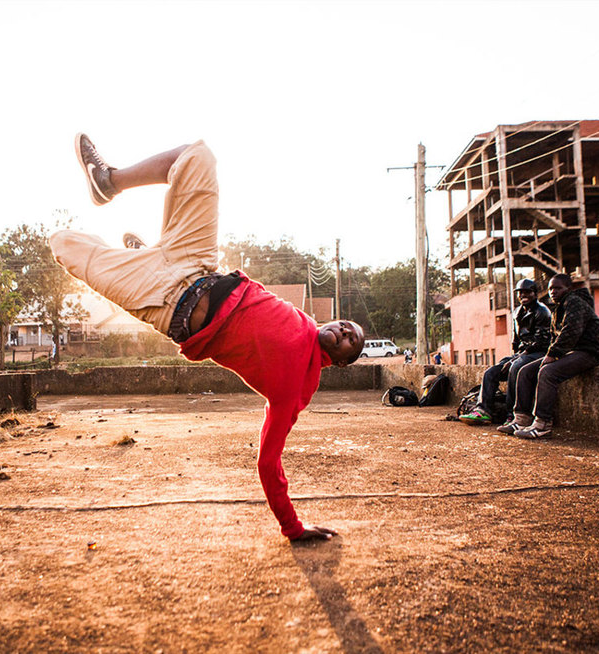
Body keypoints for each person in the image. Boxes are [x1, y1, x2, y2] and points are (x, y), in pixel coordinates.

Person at [49, 134, 365, 542]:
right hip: (197, 263)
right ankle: (109, 182)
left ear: (338, 362)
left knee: (63, 242)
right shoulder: (303, 321)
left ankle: (137, 260)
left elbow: (269, 463)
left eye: (349, 342)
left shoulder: (296, 389)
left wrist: (293, 527)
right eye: (345, 325)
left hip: (162, 300)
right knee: (198, 157)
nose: (342, 331)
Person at [499, 273, 599, 439]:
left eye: (557, 288)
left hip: (589, 352)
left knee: (548, 372)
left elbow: (571, 331)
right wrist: (552, 353)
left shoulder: (575, 302)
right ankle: (521, 419)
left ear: (568, 288)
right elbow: (554, 337)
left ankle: (543, 424)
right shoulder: (559, 308)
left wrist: (553, 354)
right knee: (525, 371)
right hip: (570, 352)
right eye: (550, 289)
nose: (553, 292)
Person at [459, 278, 552, 425]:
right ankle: (483, 410)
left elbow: (541, 341)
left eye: (527, 292)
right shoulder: (517, 312)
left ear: (535, 293)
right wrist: (514, 356)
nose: (523, 295)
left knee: (515, 368)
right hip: (522, 353)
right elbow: (516, 340)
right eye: (520, 293)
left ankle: (512, 415)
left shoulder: (542, 311)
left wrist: (517, 358)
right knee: (491, 372)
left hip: (538, 352)